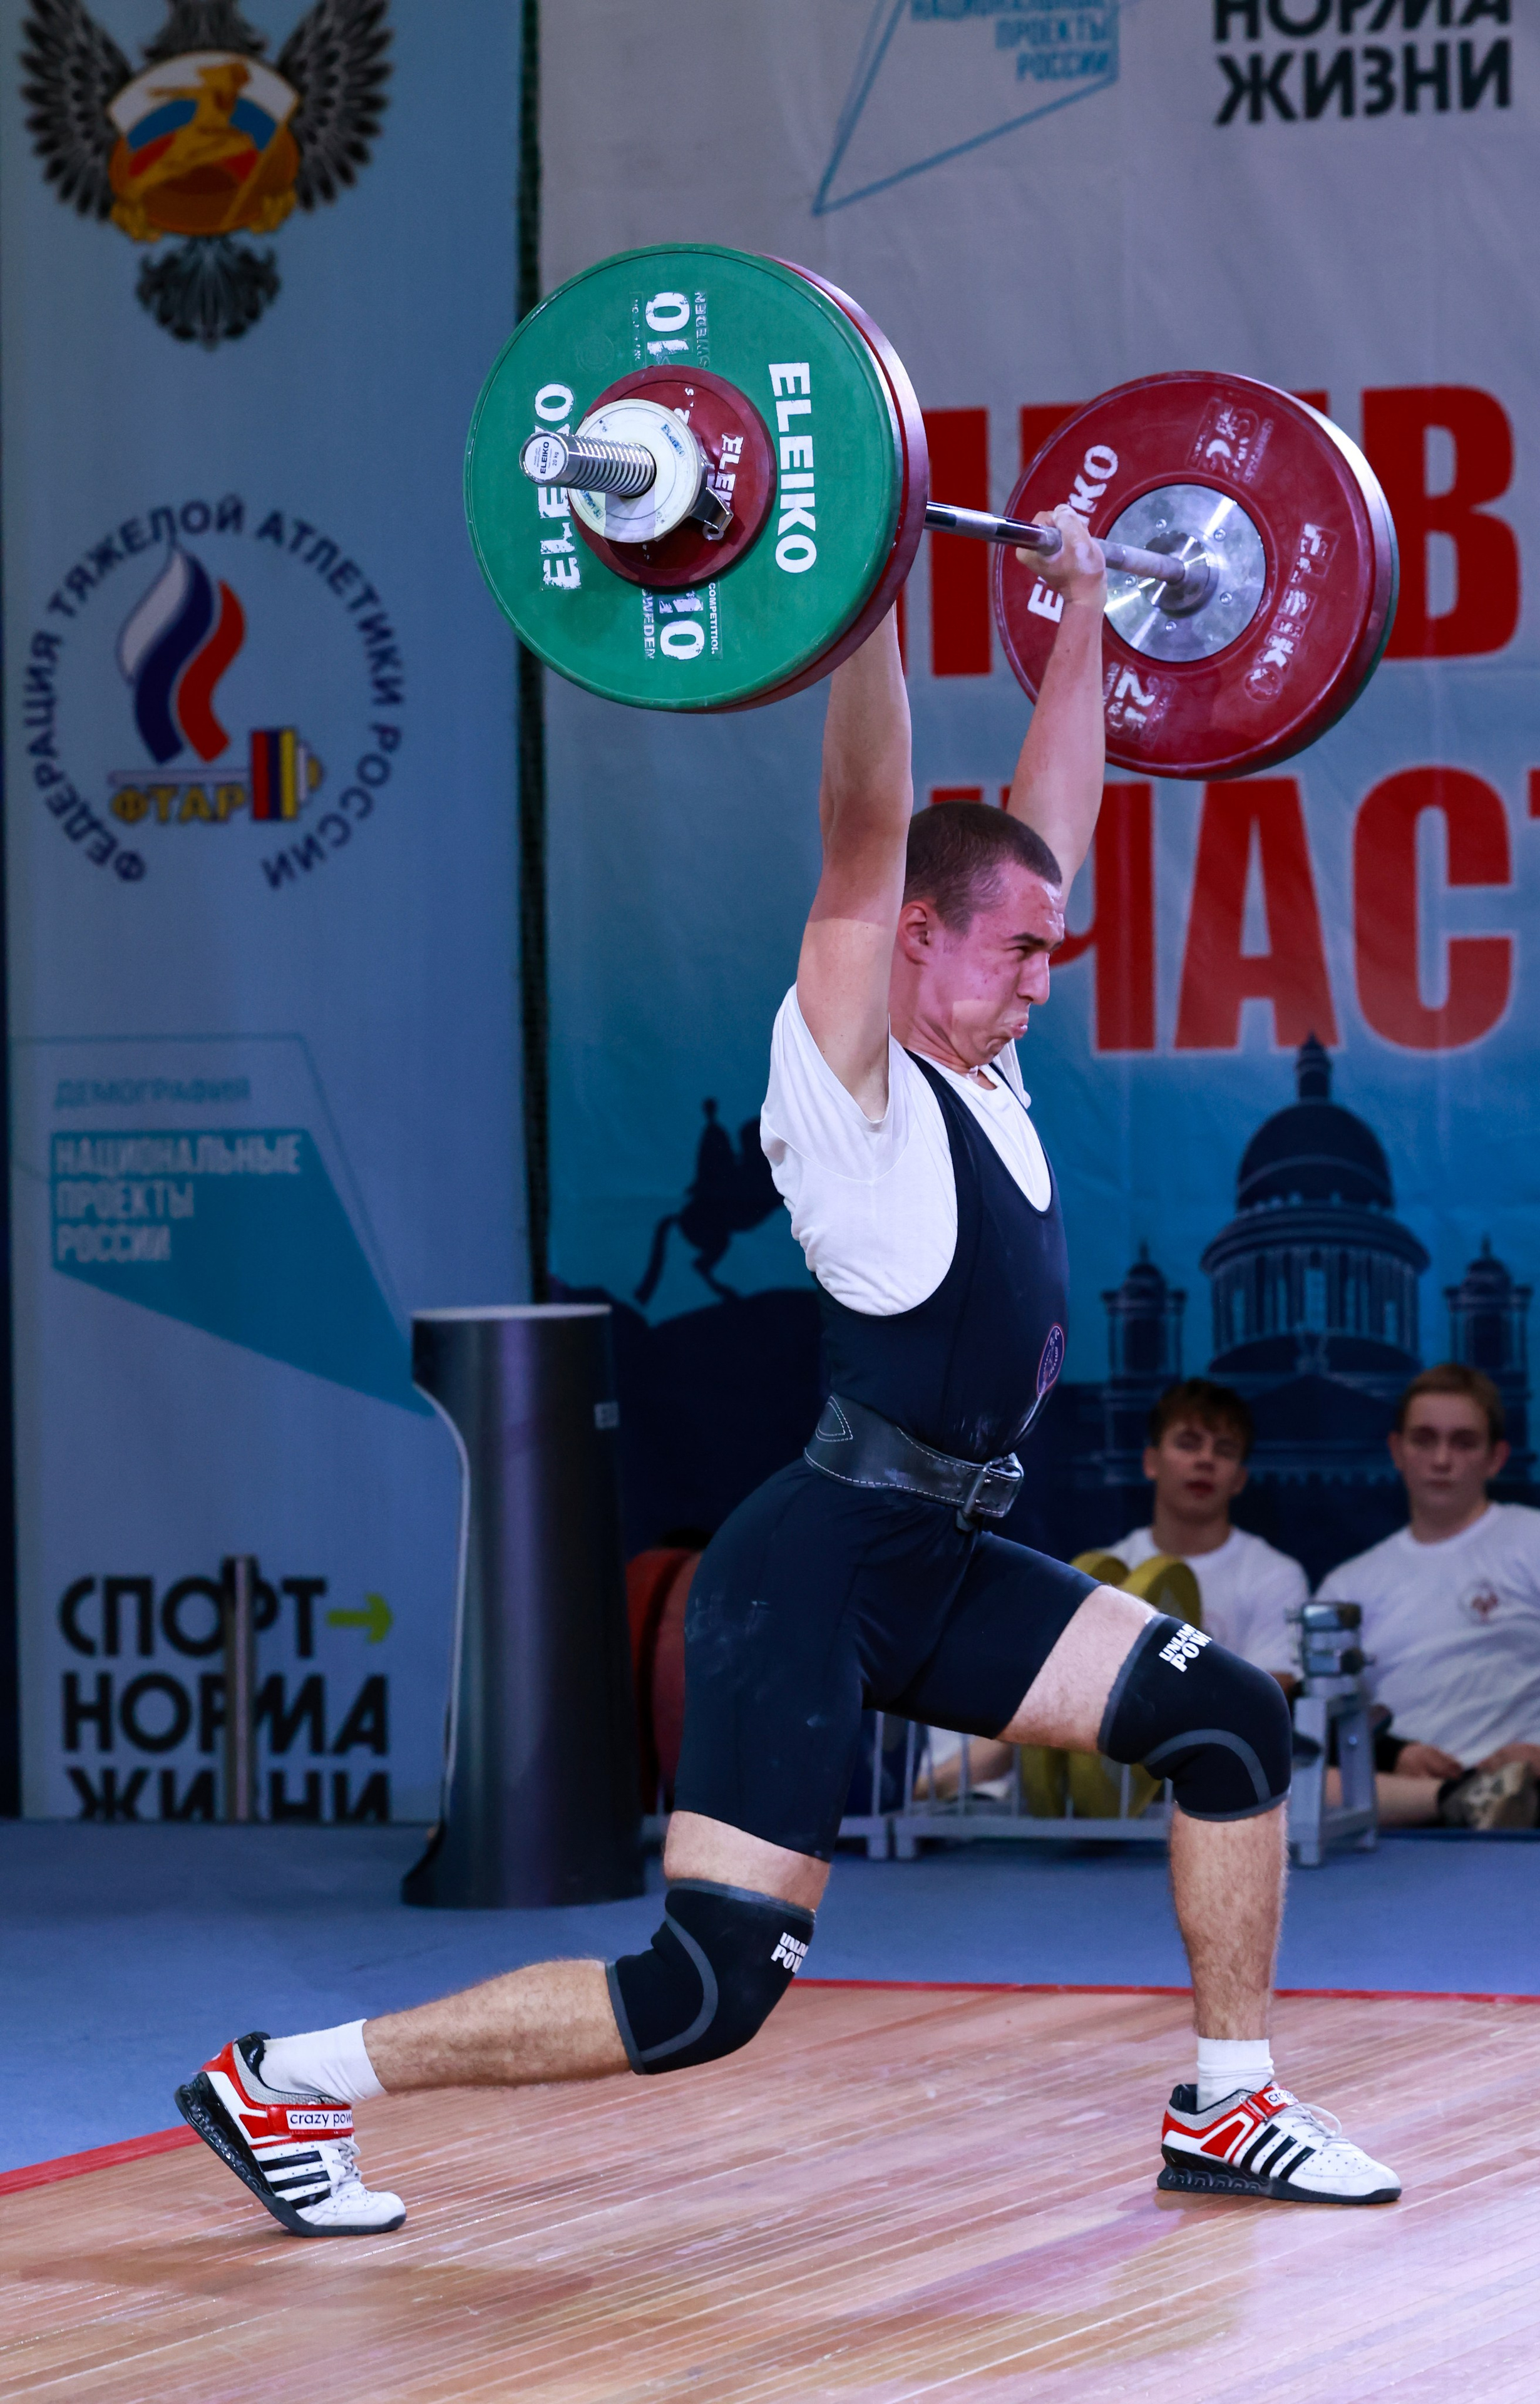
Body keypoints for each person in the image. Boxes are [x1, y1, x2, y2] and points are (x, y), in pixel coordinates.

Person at [177, 506, 1398, 2239]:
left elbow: (1054, 819)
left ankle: (1231, 2102)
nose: (1046, 984)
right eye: (1018, 953)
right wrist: (863, 600)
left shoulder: (979, 1049)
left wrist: (1077, 619)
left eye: (1053, 954)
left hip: (946, 1556)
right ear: (913, 936)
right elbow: (862, 830)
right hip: (814, 1574)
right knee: (705, 1994)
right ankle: (286, 2079)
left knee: (1231, 1720)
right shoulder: (850, 1068)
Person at [1318, 1364, 1540, 1832]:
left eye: (1464, 1442)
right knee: (1279, 1778)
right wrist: (1398, 1754)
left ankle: (1481, 1800)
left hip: (1530, 1813)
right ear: (1397, 1451)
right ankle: (1455, 1799)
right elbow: (1320, 1719)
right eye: (1424, 1440)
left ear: (1496, 1458)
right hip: (1400, 1813)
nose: (1442, 1459)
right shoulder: (1348, 1585)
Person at [1112, 1379, 1306, 1691]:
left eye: (1224, 1450)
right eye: (1188, 1444)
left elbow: (1266, 1694)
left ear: (1239, 1479)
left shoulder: (1276, 1576)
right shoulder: (1110, 1571)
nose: (1205, 1460)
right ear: (1151, 1462)